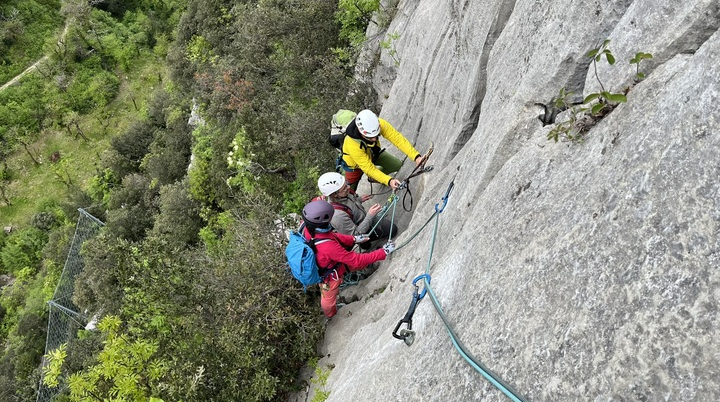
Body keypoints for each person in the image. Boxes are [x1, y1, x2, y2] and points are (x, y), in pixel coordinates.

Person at [301, 200, 395, 318]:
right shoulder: (329, 247)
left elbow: (332, 236)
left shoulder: (310, 228)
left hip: (332, 262)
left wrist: (354, 239)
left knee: (358, 264)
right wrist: (383, 252)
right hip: (329, 277)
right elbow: (355, 259)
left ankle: (368, 268)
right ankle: (330, 316)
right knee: (328, 302)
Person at [341, 109, 425, 191]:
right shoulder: (352, 143)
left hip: (373, 153)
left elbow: (397, 139)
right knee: (348, 190)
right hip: (354, 166)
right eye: (370, 137)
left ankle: (374, 178)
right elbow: (368, 168)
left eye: (376, 135)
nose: (374, 139)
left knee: (396, 165)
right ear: (360, 131)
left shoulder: (379, 124)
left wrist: (416, 156)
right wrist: (389, 181)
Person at [317, 171, 398, 249]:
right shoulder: (337, 216)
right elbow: (355, 236)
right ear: (335, 195)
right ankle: (364, 243)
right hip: (361, 229)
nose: (348, 187)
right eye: (344, 188)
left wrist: (359, 200)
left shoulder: (343, 194)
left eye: (346, 184)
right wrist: (370, 216)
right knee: (393, 229)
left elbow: (349, 204)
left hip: (363, 220)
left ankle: (366, 244)